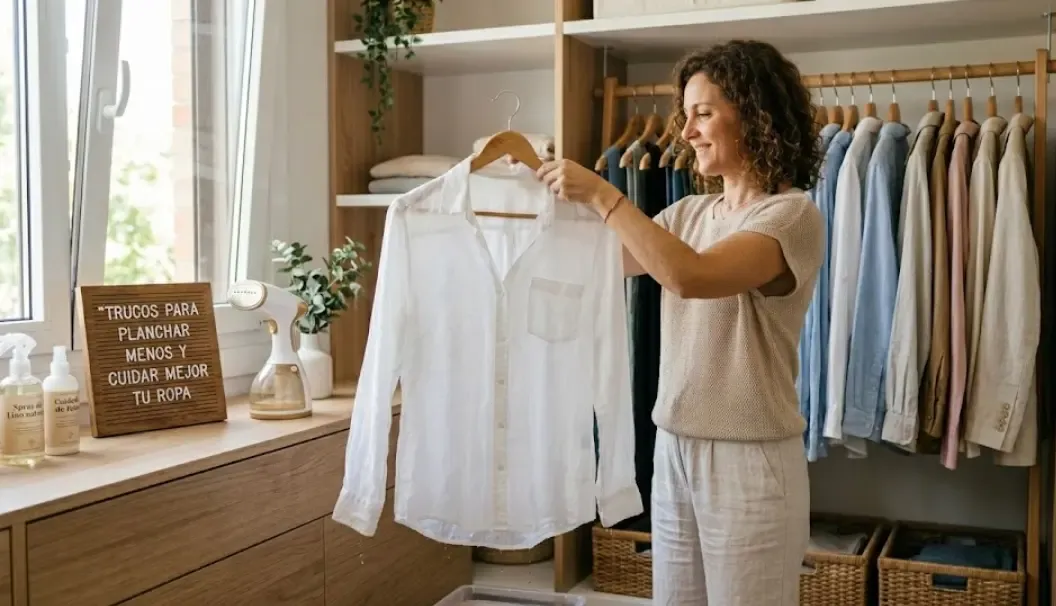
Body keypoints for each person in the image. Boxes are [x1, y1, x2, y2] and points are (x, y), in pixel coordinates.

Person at [535, 40, 824, 605]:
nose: (686, 132)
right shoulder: (690, 213)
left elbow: (689, 275)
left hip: (751, 458)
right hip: (674, 447)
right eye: (685, 116)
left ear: (755, 112)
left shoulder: (791, 215)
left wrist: (603, 193)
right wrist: (517, 205)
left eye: (704, 113)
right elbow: (597, 261)